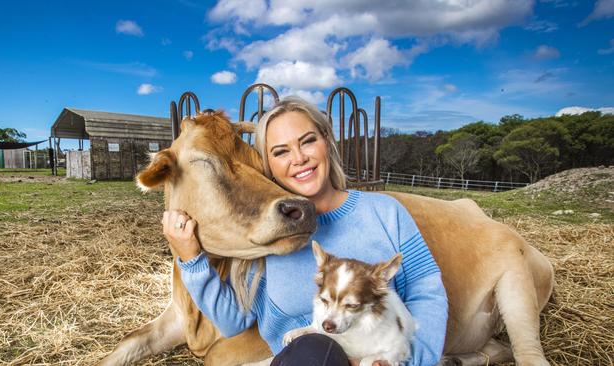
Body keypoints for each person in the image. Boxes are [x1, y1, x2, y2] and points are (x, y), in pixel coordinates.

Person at [162, 97, 448, 366]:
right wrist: (191, 259)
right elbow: (233, 321)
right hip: (308, 360)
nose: (298, 158)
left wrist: (411, 361)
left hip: (381, 358)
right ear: (268, 165)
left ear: (327, 142)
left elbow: (427, 292)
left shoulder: (386, 211)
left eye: (308, 141)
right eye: (281, 151)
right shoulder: (267, 231)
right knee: (314, 349)